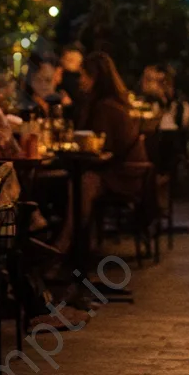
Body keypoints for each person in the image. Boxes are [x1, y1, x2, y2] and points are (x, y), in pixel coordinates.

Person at [53, 52, 148, 253]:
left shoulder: (107, 107)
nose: (80, 80)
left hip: (124, 174)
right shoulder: (103, 103)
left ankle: (66, 245)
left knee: (81, 183)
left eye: (83, 75)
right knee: (76, 181)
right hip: (119, 170)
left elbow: (102, 149)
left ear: (94, 77)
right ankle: (76, 245)